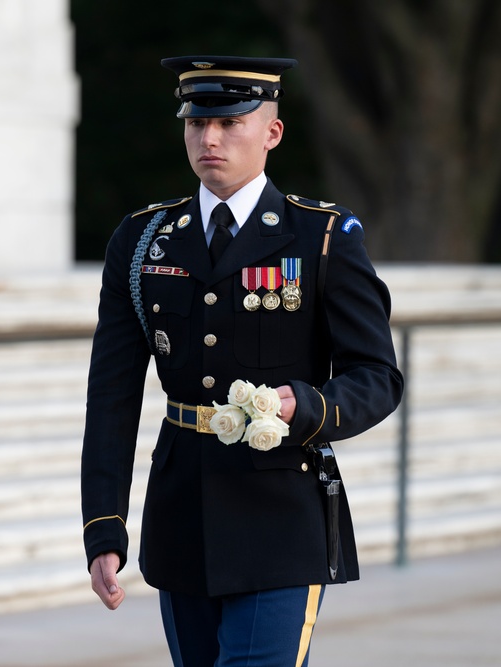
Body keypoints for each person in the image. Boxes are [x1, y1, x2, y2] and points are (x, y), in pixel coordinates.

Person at [81, 55, 404, 667]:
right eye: (196, 122)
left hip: (280, 517)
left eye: (230, 122)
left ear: (272, 133)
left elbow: (377, 377)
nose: (209, 138)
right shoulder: (144, 239)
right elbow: (112, 395)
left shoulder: (322, 237)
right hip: (182, 520)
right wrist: (104, 524)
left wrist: (304, 407)